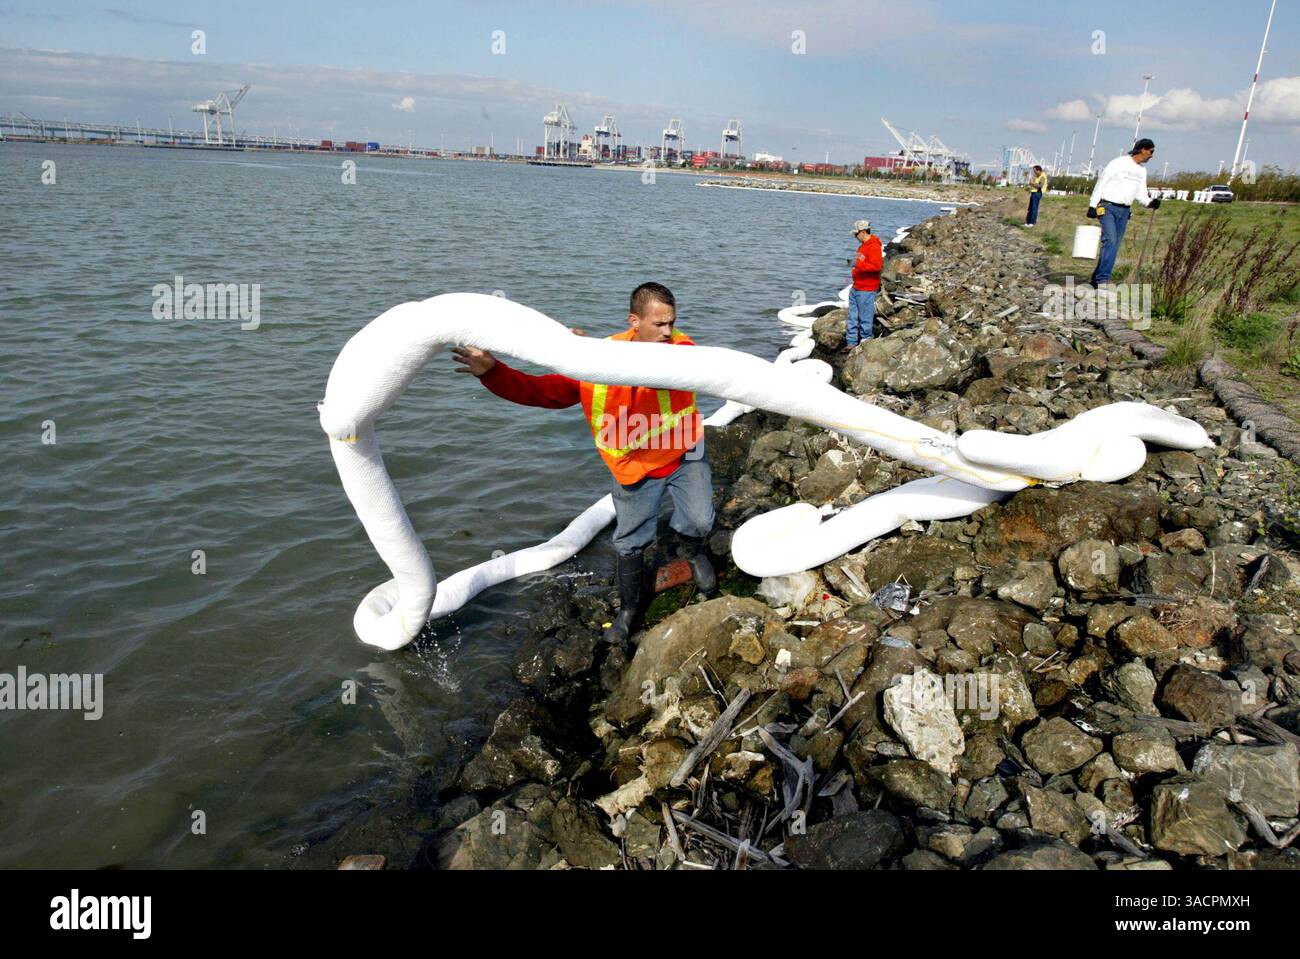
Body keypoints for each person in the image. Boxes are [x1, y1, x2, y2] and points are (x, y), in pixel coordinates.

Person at [451, 282, 716, 645]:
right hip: (635, 467)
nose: (668, 332)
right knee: (632, 541)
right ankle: (628, 610)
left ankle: (693, 552)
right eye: (659, 324)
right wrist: (492, 372)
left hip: (686, 452)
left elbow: (666, 367)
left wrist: (578, 352)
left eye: (671, 322)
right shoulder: (592, 361)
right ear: (634, 321)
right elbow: (539, 392)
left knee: (700, 518)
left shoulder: (682, 350)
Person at [1087, 138, 1162, 288]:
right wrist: (1092, 205)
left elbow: (1140, 192)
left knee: (1114, 246)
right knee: (1110, 241)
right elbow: (1102, 182)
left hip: (1124, 211)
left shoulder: (1142, 170)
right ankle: (1102, 280)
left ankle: (1097, 278)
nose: (1152, 155)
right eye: (1151, 151)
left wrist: (1149, 202)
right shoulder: (1119, 163)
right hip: (1107, 206)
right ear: (1143, 150)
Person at [847, 219, 883, 350]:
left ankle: (865, 344)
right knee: (852, 317)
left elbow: (876, 267)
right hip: (857, 286)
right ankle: (851, 343)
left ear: (862, 232)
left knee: (865, 318)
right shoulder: (862, 246)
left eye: (856, 234)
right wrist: (855, 268)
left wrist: (857, 265)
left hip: (867, 289)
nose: (855, 237)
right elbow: (862, 264)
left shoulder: (874, 246)